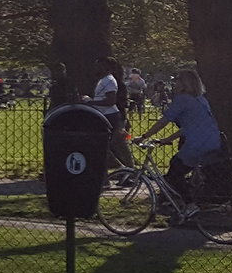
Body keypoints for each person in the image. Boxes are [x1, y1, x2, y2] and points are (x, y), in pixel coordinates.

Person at [134, 68, 224, 207]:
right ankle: (187, 201)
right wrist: (167, 140)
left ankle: (189, 204)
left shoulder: (183, 100)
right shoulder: (201, 100)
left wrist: (144, 136)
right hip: (212, 140)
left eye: (178, 80)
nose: (175, 83)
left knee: (175, 171)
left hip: (197, 144)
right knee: (184, 170)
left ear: (185, 83)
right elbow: (189, 127)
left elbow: (164, 121)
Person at [83, 56, 133, 167]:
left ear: (106, 67)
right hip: (105, 116)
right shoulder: (103, 80)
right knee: (107, 146)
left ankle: (126, 170)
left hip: (110, 116)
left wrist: (90, 102)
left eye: (99, 65)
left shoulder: (109, 81)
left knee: (114, 145)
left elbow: (111, 101)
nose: (96, 68)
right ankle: (124, 170)